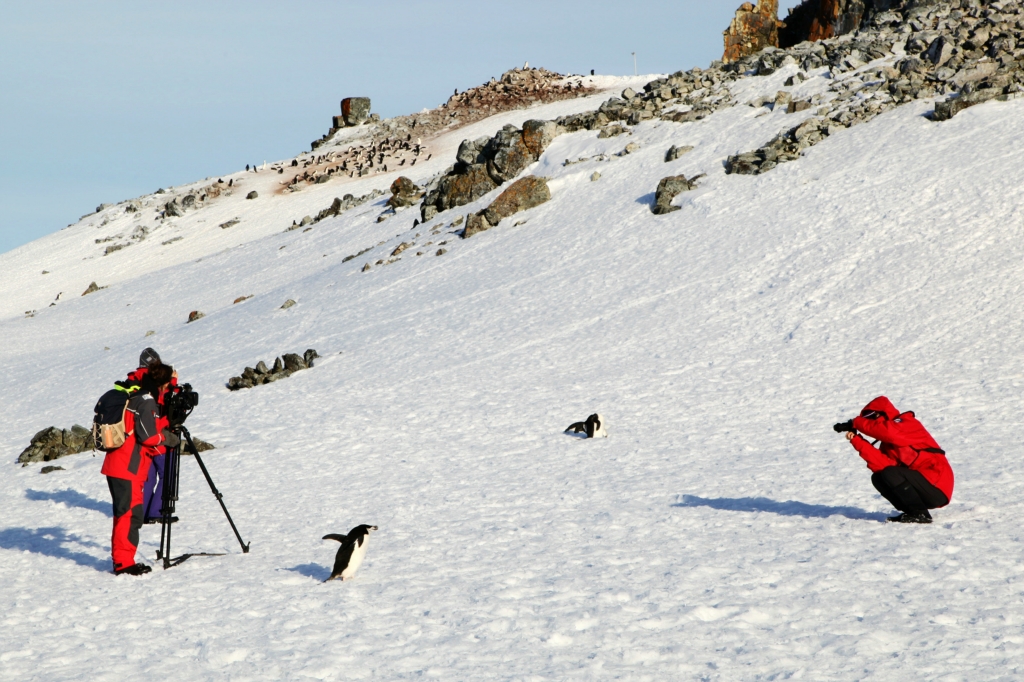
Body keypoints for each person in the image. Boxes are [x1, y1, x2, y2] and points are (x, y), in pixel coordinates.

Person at [100, 363, 179, 575]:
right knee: (130, 514)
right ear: (161, 384)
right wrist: (166, 437)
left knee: (125, 513)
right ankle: (124, 563)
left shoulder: (135, 397)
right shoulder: (146, 401)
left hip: (118, 464)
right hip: (128, 467)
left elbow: (140, 429)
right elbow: (149, 437)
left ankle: (122, 560)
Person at [835, 396, 954, 524]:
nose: (870, 421)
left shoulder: (908, 423)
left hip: (937, 484)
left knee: (891, 473)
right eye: (867, 418)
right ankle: (912, 511)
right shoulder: (888, 445)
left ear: (883, 413)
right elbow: (881, 465)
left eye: (872, 416)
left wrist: (856, 422)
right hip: (922, 487)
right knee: (879, 477)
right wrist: (857, 440)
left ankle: (920, 513)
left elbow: (890, 432)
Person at [125, 348, 178, 524]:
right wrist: (173, 382)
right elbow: (165, 401)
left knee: (147, 477)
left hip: (139, 437)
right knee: (167, 474)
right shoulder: (153, 382)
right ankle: (158, 511)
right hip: (158, 435)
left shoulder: (133, 379)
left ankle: (143, 512)